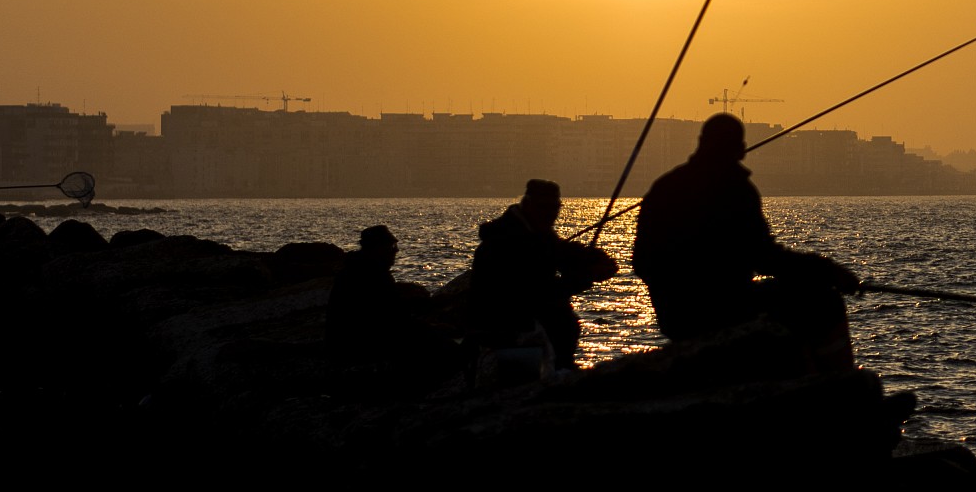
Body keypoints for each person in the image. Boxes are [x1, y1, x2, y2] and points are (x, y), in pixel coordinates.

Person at [633, 114, 860, 366]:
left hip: (675, 318)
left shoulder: (664, 187)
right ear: (740, 150)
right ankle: (835, 381)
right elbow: (765, 258)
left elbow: (641, 262)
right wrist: (826, 271)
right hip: (725, 309)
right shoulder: (735, 189)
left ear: (700, 142)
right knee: (822, 300)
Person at [469, 179, 618, 366]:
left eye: (555, 208)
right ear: (528, 204)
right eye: (544, 207)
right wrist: (582, 279)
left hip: (530, 334)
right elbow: (533, 292)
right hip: (510, 336)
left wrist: (593, 258)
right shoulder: (504, 243)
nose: (551, 214)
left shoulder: (537, 234)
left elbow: (561, 252)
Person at [327, 224, 456, 383]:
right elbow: (390, 319)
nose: (396, 250)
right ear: (377, 248)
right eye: (392, 246)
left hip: (351, 340)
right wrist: (432, 328)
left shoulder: (360, 269)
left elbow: (389, 310)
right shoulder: (370, 274)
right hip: (359, 345)